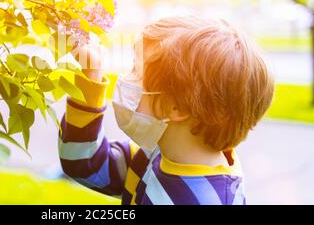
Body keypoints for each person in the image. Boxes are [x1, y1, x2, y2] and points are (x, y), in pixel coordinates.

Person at [58, 15, 274, 205]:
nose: (127, 79)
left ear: (176, 106)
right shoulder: (157, 153)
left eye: (137, 71)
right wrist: (90, 75)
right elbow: (85, 164)